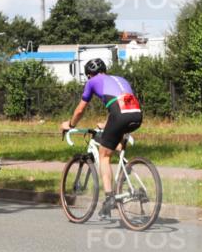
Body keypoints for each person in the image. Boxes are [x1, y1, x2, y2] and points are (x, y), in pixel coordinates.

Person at [61, 58, 142, 218]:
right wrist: (106, 123)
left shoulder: (92, 82)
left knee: (104, 155)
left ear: (89, 75)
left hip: (119, 115)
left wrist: (69, 124)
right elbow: (122, 103)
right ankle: (126, 170)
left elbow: (80, 110)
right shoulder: (121, 79)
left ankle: (109, 197)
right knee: (115, 146)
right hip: (136, 114)